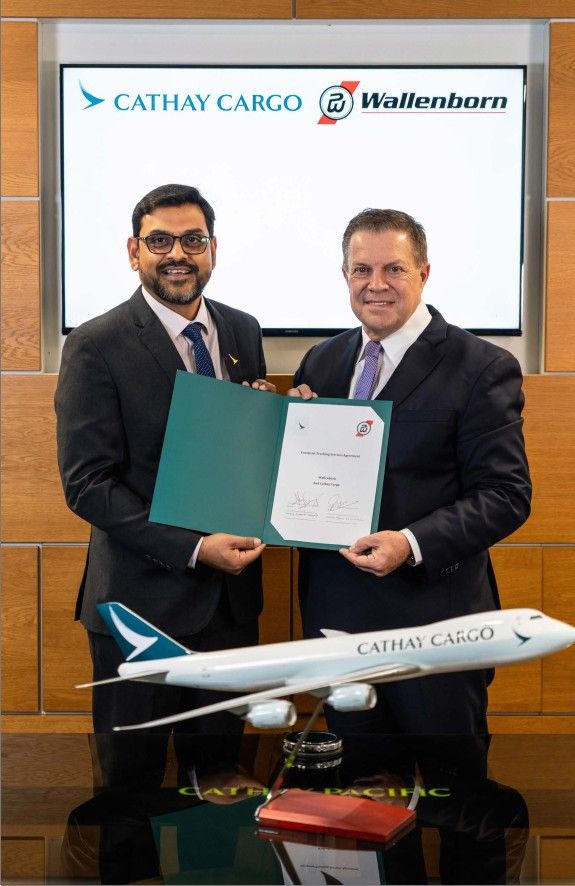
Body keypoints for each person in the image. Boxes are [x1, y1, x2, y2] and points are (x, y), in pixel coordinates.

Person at [289, 208, 531, 774]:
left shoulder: (482, 366)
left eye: (393, 269)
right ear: (344, 275)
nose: (376, 284)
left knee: (456, 800)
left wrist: (410, 543)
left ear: (424, 272)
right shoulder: (321, 361)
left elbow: (506, 494)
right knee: (361, 801)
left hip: (437, 629)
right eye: (361, 270)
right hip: (339, 625)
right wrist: (285, 433)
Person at [55, 183, 272, 786]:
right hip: (138, 612)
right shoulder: (95, 344)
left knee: (221, 792)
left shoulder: (242, 330)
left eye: (192, 240)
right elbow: (87, 484)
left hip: (230, 611)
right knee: (129, 793)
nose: (177, 253)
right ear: (134, 252)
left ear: (213, 249)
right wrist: (194, 548)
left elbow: (241, 453)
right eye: (159, 241)